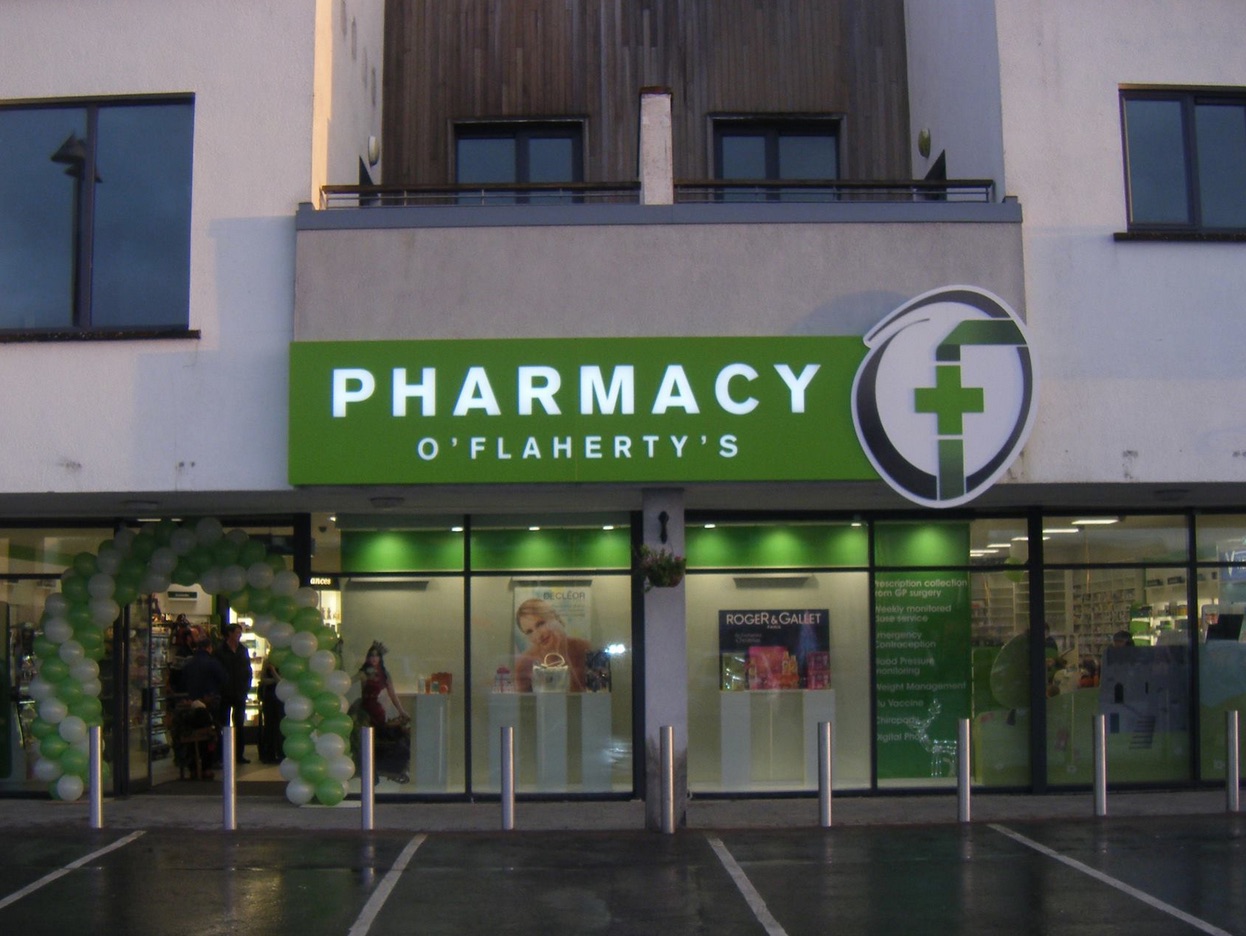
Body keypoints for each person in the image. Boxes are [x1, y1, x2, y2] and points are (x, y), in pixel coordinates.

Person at [356, 642, 410, 783]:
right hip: (369, 711)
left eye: (377, 656)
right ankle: (373, 770)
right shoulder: (364, 673)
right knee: (370, 740)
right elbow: (353, 685)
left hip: (384, 710)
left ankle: (397, 770)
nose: (374, 659)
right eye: (372, 656)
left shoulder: (385, 674)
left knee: (401, 734)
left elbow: (392, 694)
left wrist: (401, 711)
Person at [513, 598, 590, 693]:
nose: (538, 636)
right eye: (529, 632)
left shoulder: (584, 648)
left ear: (556, 618)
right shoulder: (523, 664)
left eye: (540, 624)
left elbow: (590, 700)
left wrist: (562, 653)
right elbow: (523, 705)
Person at [215, 622, 253, 764]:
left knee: (239, 724)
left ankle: (239, 754)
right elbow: (218, 672)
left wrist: (246, 687)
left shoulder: (243, 650)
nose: (239, 635)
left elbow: (247, 670)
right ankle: (223, 754)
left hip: (239, 692)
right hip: (225, 693)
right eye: (237, 632)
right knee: (223, 723)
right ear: (229, 634)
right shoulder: (220, 651)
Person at [257, 657, 284, 764]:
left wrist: (273, 673)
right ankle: (269, 752)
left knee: (278, 725)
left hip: (279, 698)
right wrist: (275, 679)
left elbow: (281, 681)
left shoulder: (281, 662)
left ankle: (279, 751)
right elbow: (263, 680)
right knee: (269, 725)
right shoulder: (268, 661)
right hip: (269, 698)